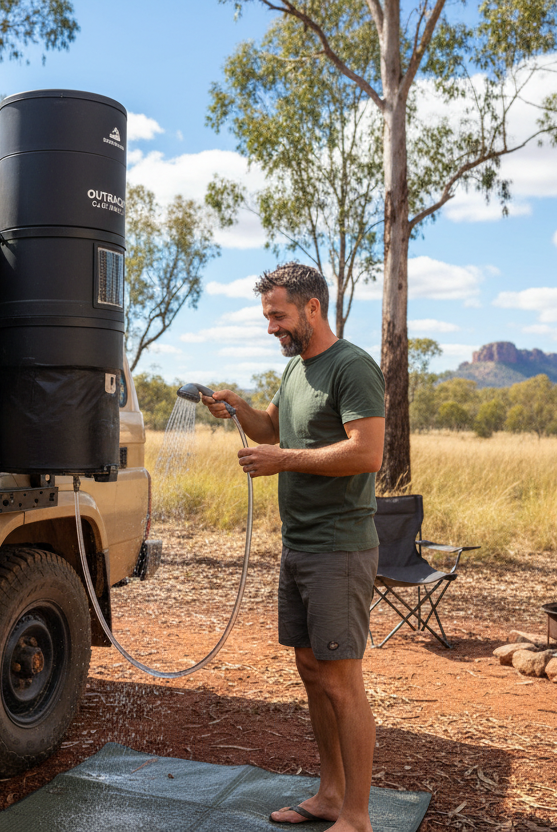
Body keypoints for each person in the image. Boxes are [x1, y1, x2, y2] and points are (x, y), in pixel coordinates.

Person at [204, 263, 385, 832]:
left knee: (341, 679)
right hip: (300, 544)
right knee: (311, 669)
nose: (271, 328)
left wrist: (282, 460)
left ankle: (356, 816)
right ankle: (330, 795)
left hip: (340, 548)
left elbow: (366, 453)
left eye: (278, 316)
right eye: (267, 317)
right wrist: (240, 409)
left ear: (312, 308)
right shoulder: (294, 371)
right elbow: (270, 431)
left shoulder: (352, 367)